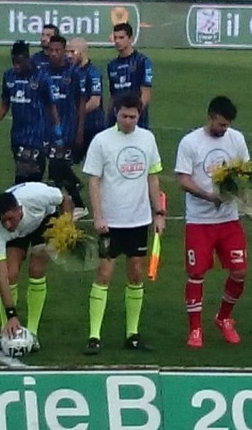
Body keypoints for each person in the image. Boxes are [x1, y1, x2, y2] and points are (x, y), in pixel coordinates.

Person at [82, 91, 165, 355]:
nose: (129, 121)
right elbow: (93, 180)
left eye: (133, 116)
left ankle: (133, 333)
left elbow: (153, 177)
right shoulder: (101, 141)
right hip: (111, 221)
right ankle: (94, 335)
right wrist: (98, 215)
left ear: (139, 115)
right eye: (124, 116)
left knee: (136, 273)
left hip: (138, 220)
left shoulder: (147, 139)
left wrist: (158, 213)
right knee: (104, 273)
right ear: (115, 113)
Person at [174, 96, 250, 349]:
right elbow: (183, 180)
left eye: (226, 126)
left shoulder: (236, 139)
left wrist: (237, 191)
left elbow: (244, 172)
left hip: (228, 219)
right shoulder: (190, 142)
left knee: (239, 271)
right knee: (196, 274)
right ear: (210, 117)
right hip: (199, 221)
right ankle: (195, 329)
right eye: (220, 124)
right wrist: (208, 196)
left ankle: (224, 318)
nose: (223, 130)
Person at [0, 182, 73, 352]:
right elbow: (1, 276)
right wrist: (12, 315)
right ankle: (6, 330)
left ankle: (32, 333)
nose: (7, 224)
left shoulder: (37, 195)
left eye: (10, 219)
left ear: (19, 209)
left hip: (43, 220)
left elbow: (66, 199)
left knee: (36, 269)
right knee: (11, 274)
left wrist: (68, 226)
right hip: (18, 234)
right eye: (3, 220)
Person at [0, 41, 62, 185]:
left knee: (31, 176)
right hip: (17, 136)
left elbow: (52, 106)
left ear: (27, 58)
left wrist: (57, 130)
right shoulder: (9, 76)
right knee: (22, 174)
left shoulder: (42, 77)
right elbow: (5, 104)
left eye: (19, 62)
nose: (16, 66)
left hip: (37, 136)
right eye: (14, 62)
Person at [43, 35, 88, 219]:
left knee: (57, 165)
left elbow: (82, 102)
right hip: (46, 129)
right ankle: (69, 194)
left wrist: (79, 130)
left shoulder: (74, 73)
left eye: (57, 50)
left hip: (67, 129)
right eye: (50, 50)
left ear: (63, 51)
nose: (53, 54)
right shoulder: (43, 72)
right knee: (55, 168)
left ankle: (78, 204)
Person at [106, 22, 153, 129]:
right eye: (115, 38)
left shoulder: (142, 61)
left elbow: (146, 93)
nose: (117, 41)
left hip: (137, 122)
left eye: (121, 37)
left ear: (130, 39)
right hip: (116, 121)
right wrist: (109, 117)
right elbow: (112, 95)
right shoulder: (112, 65)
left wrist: (134, 114)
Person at [67, 37, 105, 161]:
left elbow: (95, 102)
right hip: (76, 127)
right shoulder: (71, 71)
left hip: (93, 127)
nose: (69, 55)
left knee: (94, 165)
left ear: (82, 52)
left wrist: (74, 114)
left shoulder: (93, 72)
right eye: (68, 52)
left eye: (72, 52)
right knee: (63, 162)